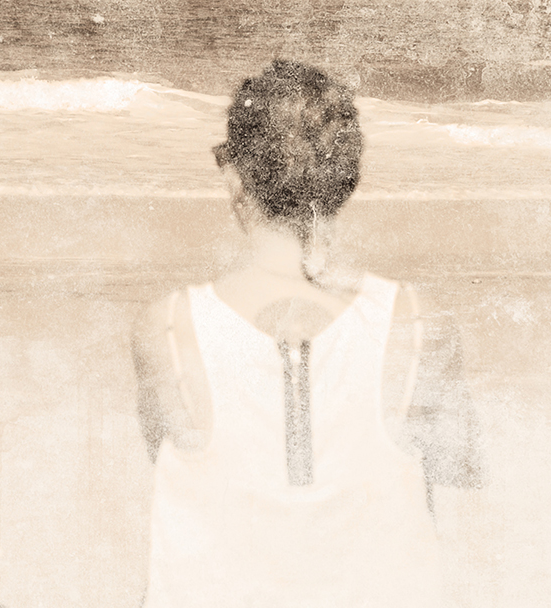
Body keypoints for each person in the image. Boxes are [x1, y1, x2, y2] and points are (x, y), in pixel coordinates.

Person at [132, 60, 481, 607]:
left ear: (235, 178)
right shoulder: (417, 321)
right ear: (346, 178)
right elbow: (458, 492)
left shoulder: (169, 328)